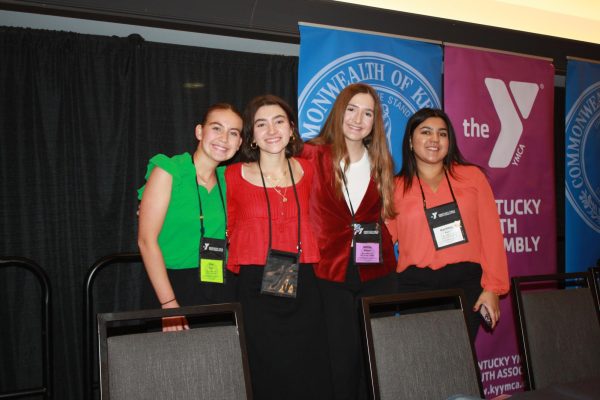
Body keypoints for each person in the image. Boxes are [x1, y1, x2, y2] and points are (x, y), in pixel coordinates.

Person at [225, 95, 333, 400]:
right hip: (254, 284)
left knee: (308, 363)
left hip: (306, 280)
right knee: (263, 367)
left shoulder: (311, 170)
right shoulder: (232, 175)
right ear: (252, 136)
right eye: (261, 124)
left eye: (279, 121)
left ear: (292, 129)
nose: (271, 130)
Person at [302, 83, 397, 400]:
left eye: (368, 112)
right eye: (352, 109)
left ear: (375, 121)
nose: (359, 118)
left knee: (375, 355)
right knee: (339, 357)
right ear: (339, 111)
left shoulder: (381, 162)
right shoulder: (311, 154)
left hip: (376, 272)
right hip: (329, 271)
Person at [385, 107, 509, 341]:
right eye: (426, 132)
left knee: (459, 363)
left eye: (442, 134)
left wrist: (493, 288)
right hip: (415, 287)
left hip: (466, 285)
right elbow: (383, 243)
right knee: (423, 364)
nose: (434, 139)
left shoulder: (473, 177)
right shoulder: (394, 187)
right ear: (411, 141)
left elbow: (492, 236)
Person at [137, 103, 243, 331]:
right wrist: (169, 304)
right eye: (217, 128)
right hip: (172, 288)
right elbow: (146, 241)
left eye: (233, 133)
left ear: (240, 143)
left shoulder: (231, 179)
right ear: (199, 131)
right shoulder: (170, 170)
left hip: (220, 287)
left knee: (220, 365)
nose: (224, 138)